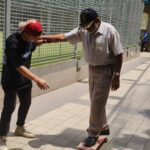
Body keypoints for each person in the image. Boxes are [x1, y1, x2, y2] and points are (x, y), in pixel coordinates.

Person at [41, 8, 123, 147]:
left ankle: (93, 133)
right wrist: (44, 39)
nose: (87, 29)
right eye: (85, 26)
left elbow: (119, 54)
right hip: (92, 69)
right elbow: (64, 37)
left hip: (106, 70)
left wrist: (117, 75)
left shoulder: (110, 31)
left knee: (97, 103)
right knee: (96, 101)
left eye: (90, 26)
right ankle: (103, 126)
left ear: (97, 20)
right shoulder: (84, 29)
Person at [0, 19, 49, 150]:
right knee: (9, 107)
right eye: (34, 37)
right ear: (26, 33)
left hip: (24, 79)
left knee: (26, 102)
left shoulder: (29, 40)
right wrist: (37, 79)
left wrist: (46, 40)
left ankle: (19, 128)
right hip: (10, 79)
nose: (35, 39)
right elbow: (18, 65)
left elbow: (34, 44)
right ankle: (1, 136)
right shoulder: (13, 41)